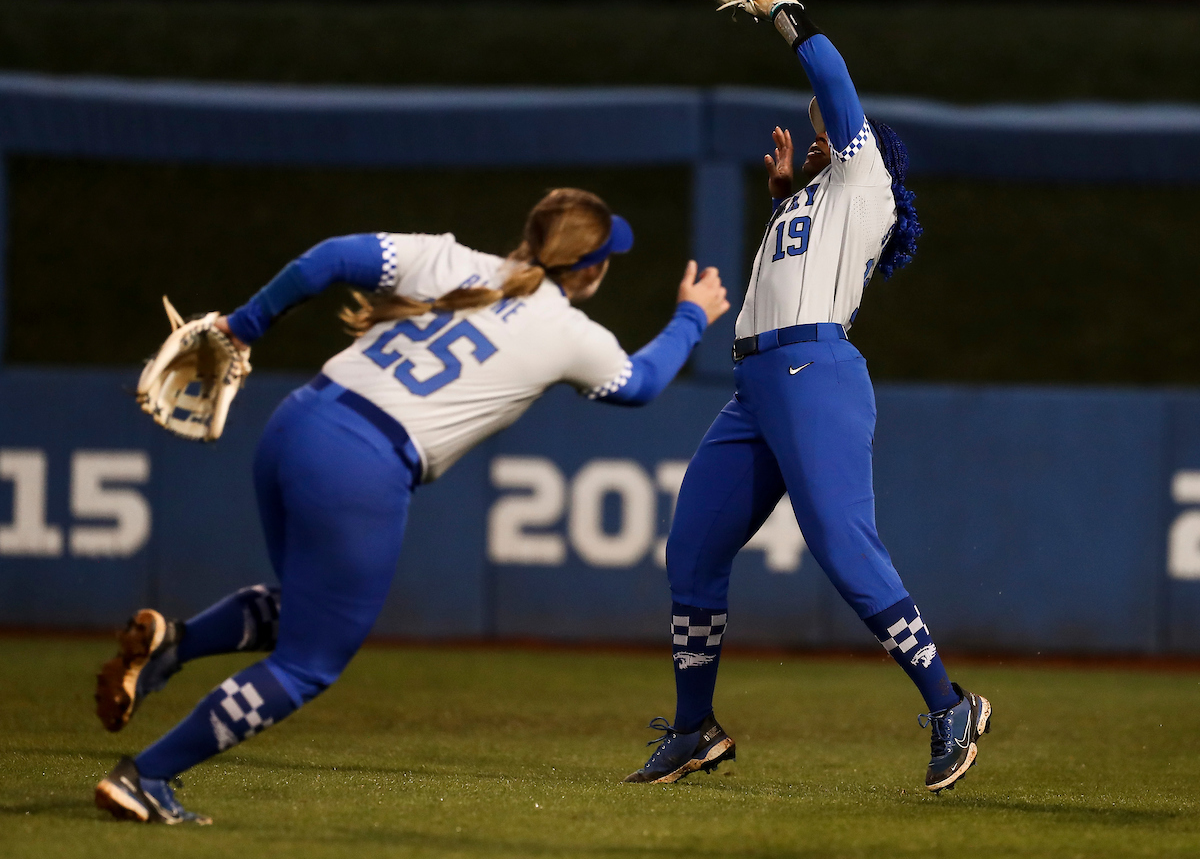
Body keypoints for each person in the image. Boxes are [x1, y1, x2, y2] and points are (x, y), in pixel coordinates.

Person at [93, 187, 730, 824]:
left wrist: (245, 324)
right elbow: (641, 383)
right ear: (590, 269)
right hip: (361, 464)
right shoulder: (569, 333)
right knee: (309, 663)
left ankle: (171, 645)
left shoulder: (452, 261)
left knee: (303, 607)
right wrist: (691, 315)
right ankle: (145, 776)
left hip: (300, 418)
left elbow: (328, 260)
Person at [624, 0, 991, 793]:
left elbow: (832, 79)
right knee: (692, 550)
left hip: (812, 373)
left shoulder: (867, 180)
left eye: (831, 133)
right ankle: (694, 729)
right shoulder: (814, 197)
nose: (819, 133)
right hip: (755, 384)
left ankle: (950, 705)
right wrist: (784, 192)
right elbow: (790, 271)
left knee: (843, 548)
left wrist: (788, 11)